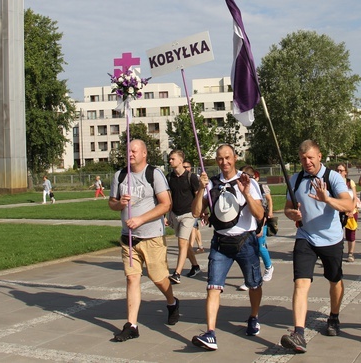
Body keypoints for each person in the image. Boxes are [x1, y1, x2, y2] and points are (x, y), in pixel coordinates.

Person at [281, 140, 354, 353]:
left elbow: (348, 205)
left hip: (331, 240)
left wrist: (327, 198)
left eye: (311, 158)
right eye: (303, 159)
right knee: (301, 283)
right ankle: (299, 333)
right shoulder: (295, 179)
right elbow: (287, 208)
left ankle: (334, 316)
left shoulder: (332, 177)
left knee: (335, 280)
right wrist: (291, 213)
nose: (307, 162)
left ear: (320, 156)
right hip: (305, 237)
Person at [191, 144, 264, 351]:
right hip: (221, 243)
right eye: (220, 158)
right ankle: (210, 332)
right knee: (213, 287)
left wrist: (247, 193)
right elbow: (196, 212)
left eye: (228, 157)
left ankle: (253, 316)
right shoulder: (211, 183)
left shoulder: (246, 180)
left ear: (235, 157)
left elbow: (259, 215)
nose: (224, 162)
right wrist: (200, 189)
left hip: (245, 241)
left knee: (254, 284)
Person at [108, 139, 179, 341]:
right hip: (129, 238)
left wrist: (140, 219)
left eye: (134, 150)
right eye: (127, 151)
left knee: (158, 278)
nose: (129, 154)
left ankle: (172, 302)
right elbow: (111, 203)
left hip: (152, 236)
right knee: (132, 278)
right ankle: (132, 325)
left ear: (144, 153)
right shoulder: (119, 176)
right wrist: (119, 203)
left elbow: (166, 204)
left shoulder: (153, 174)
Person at [166, 150, 202, 283]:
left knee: (181, 242)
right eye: (169, 159)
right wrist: (167, 215)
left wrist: (202, 211)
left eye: (172, 159)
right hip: (175, 214)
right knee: (185, 243)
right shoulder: (169, 177)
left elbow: (199, 195)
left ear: (180, 161)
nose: (170, 161)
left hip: (188, 214)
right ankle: (195, 266)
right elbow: (167, 198)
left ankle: (177, 273)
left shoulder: (191, 177)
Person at [238, 166, 274, 290]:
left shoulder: (260, 187)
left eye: (250, 177)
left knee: (260, 246)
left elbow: (266, 203)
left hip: (260, 222)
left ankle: (269, 267)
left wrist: (265, 221)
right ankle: (250, 279)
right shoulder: (241, 187)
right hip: (248, 224)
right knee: (250, 251)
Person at [336, 164, 361, 262]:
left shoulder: (349, 182)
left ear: (345, 172)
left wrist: (351, 209)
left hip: (351, 211)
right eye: (337, 170)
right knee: (336, 233)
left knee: (350, 233)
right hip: (338, 210)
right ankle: (337, 252)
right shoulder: (334, 182)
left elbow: (355, 197)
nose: (339, 172)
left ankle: (350, 253)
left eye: (341, 170)